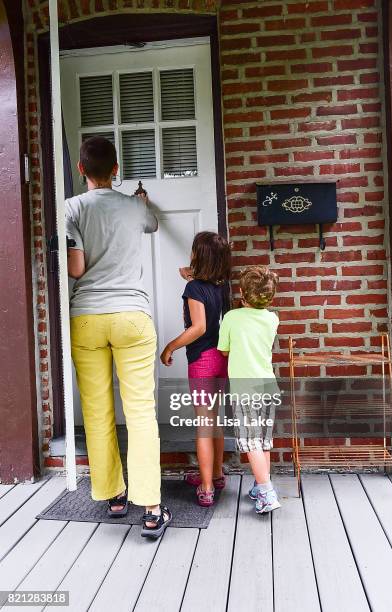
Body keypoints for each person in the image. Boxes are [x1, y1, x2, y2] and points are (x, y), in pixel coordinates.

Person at [66, 136, 171, 539]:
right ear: (115, 169)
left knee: (96, 410)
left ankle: (112, 495)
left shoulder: (70, 208)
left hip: (88, 318)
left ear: (80, 170)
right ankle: (151, 509)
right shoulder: (134, 206)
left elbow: (76, 269)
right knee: (141, 411)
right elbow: (153, 224)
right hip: (131, 316)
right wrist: (139, 198)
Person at [160, 232, 231, 507]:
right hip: (220, 359)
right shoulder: (220, 286)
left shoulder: (194, 289)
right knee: (215, 421)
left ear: (198, 257)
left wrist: (170, 346)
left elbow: (198, 327)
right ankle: (216, 474)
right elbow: (210, 307)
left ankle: (206, 487)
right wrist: (193, 278)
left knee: (204, 425)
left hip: (201, 360)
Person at [217, 265, 281, 514]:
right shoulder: (272, 318)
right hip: (268, 386)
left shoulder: (232, 318)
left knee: (251, 442)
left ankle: (266, 492)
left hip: (245, 389)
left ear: (241, 292)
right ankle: (260, 484)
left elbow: (224, 350)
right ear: (271, 296)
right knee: (263, 441)